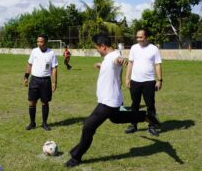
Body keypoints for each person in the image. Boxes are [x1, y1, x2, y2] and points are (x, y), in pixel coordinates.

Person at [65, 33, 160, 168]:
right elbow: (111, 64)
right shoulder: (109, 56)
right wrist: (101, 65)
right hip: (114, 99)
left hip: (108, 102)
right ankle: (145, 115)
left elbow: (117, 60)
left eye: (97, 47)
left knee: (88, 126)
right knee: (116, 118)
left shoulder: (115, 56)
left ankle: (76, 157)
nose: (97, 50)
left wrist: (122, 61)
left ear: (103, 46)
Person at [124, 29, 163, 136]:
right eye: (137, 37)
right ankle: (133, 125)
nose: (138, 39)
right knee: (134, 104)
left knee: (150, 105)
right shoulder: (134, 48)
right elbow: (130, 63)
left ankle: (151, 126)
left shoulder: (154, 49)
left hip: (149, 82)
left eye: (140, 37)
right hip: (135, 81)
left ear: (146, 37)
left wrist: (159, 80)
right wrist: (127, 78)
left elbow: (158, 65)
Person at [23, 35, 58, 131]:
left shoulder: (51, 53)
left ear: (45, 42)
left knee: (44, 102)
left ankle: (44, 123)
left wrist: (54, 82)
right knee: (32, 102)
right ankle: (32, 123)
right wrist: (26, 76)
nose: (39, 43)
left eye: (41, 42)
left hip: (45, 81)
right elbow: (29, 64)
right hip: (34, 80)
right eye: (38, 41)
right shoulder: (34, 51)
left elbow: (54, 68)